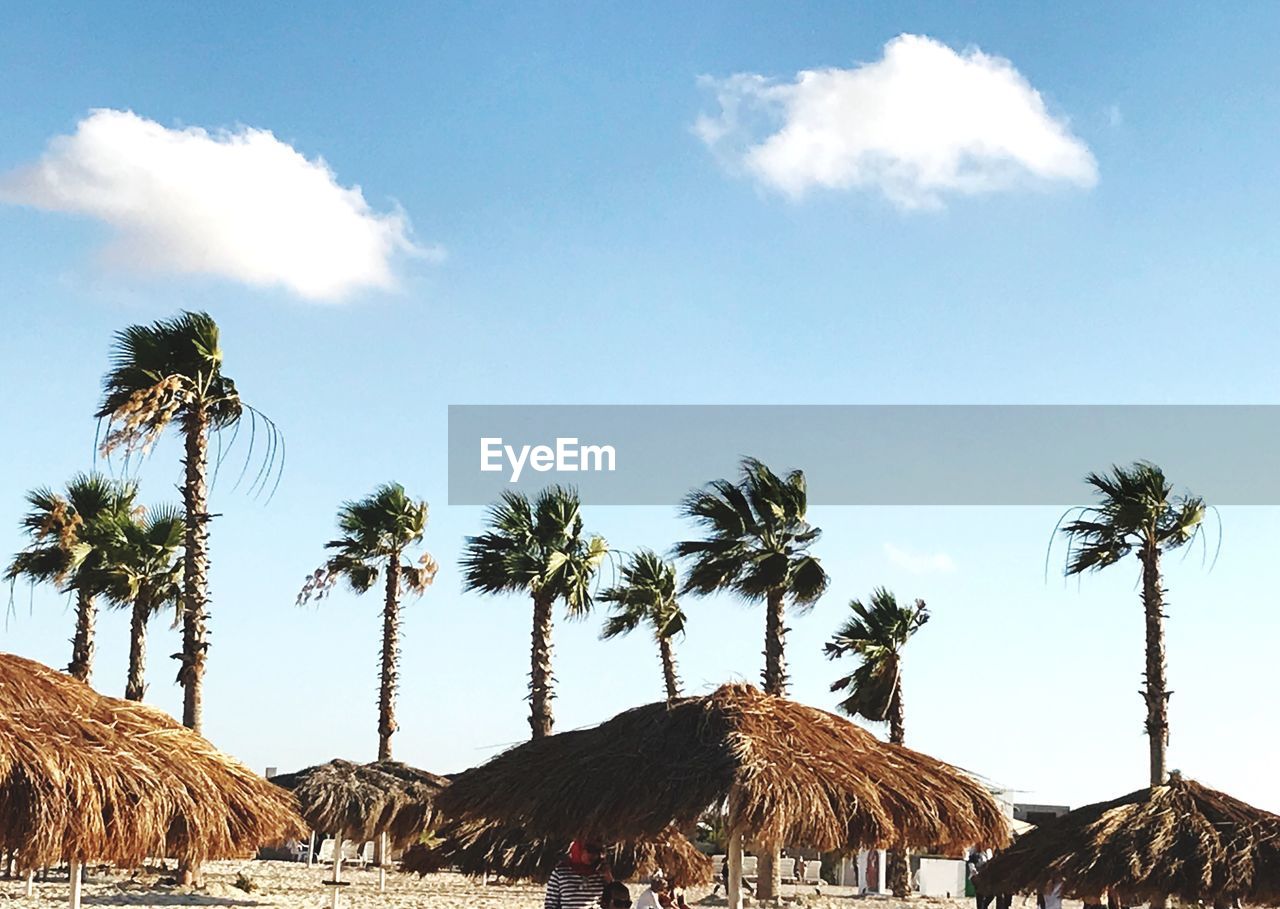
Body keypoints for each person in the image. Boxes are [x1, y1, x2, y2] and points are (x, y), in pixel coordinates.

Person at [545, 841, 612, 909]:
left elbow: (613, 901)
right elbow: (550, 904)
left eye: (597, 852)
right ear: (579, 849)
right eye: (590, 851)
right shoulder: (560, 872)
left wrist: (608, 879)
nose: (593, 855)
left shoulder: (600, 873)